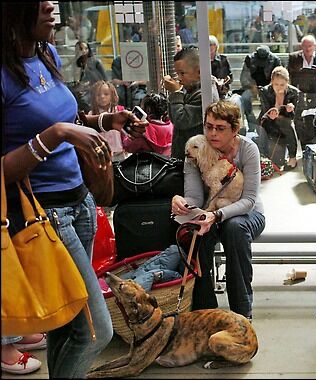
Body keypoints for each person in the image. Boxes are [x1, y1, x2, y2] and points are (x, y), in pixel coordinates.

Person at [1, 2, 148, 377]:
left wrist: (103, 119)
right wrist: (56, 135)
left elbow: (62, 116)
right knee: (96, 331)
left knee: (68, 321)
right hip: (44, 216)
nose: (52, 5)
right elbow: (6, 167)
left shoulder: (44, 53)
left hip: (79, 203)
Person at [171, 100, 265, 321]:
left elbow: (250, 200)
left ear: (235, 129)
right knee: (197, 232)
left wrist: (217, 215)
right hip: (210, 212)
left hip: (247, 214)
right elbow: (194, 196)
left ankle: (242, 313)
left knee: (234, 229)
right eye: (208, 126)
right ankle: (207, 312)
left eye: (220, 128)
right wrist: (181, 201)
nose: (212, 133)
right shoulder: (196, 148)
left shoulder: (248, 149)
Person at [164, 45, 219, 160]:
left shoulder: (205, 95)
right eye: (177, 73)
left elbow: (181, 120)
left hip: (196, 161)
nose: (179, 78)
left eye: (182, 73)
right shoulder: (193, 89)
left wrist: (176, 92)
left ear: (199, 72)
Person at [257, 66, 304, 170]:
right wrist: (272, 112)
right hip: (268, 122)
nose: (279, 87)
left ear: (287, 82)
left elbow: (294, 116)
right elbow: (265, 110)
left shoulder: (294, 92)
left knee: (287, 124)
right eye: (276, 84)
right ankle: (285, 156)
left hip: (285, 122)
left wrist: (290, 109)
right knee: (277, 161)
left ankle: (292, 157)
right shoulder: (264, 91)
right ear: (271, 82)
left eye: (282, 84)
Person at [239, 45, 282, 133]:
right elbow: (244, 77)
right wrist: (252, 86)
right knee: (245, 98)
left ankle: (265, 122)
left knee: (269, 99)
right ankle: (251, 122)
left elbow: (279, 76)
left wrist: (268, 87)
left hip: (270, 87)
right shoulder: (249, 59)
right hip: (251, 87)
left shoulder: (275, 60)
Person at [88, 80, 128, 162]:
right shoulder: (91, 115)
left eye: (106, 94)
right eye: (98, 95)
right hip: (101, 154)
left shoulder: (119, 111)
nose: (102, 97)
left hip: (119, 152)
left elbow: (125, 132)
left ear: (112, 95)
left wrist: (126, 145)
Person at [123, 92, 173, 156]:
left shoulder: (142, 128)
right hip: (166, 163)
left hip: (145, 163)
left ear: (148, 110)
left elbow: (128, 147)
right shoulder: (171, 127)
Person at [287, 34, 316, 108]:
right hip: (299, 90)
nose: (308, 49)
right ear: (301, 46)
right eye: (305, 46)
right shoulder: (294, 57)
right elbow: (289, 73)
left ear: (315, 46)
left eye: (310, 46)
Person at [209, 35, 232, 99]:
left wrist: (224, 81)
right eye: (208, 44)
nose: (210, 47)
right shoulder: (201, 61)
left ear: (216, 46)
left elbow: (230, 76)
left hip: (222, 91)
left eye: (212, 44)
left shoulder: (223, 59)